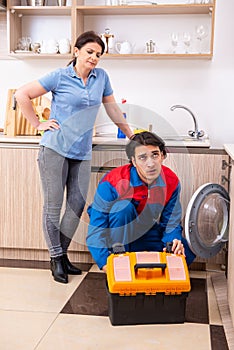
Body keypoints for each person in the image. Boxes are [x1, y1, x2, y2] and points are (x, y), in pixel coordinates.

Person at [15, 30, 133, 284]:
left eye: (98, 55)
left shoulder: (101, 77)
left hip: (82, 151)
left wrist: (130, 134)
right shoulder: (59, 76)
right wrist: (38, 124)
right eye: (90, 52)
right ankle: (56, 257)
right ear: (77, 51)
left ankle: (62, 254)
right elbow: (21, 95)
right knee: (54, 205)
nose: (94, 58)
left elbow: (112, 108)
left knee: (77, 205)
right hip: (55, 148)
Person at [86, 131, 196, 272]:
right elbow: (96, 230)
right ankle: (120, 256)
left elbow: (171, 223)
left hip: (146, 230)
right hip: (116, 234)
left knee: (185, 252)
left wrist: (173, 243)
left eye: (155, 155)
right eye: (142, 157)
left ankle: (142, 257)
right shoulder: (112, 182)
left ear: (162, 156)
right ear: (133, 161)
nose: (150, 163)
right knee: (123, 208)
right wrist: (106, 265)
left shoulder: (171, 181)